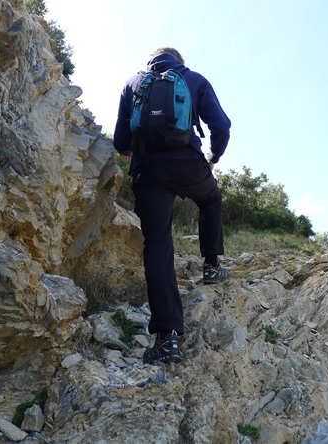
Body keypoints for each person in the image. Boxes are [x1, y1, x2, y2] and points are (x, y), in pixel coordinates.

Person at [113, 47, 232, 364]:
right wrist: (213, 157)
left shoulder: (133, 83)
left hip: (148, 172)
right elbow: (221, 127)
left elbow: (120, 139)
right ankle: (211, 266)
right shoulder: (193, 79)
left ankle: (166, 340)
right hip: (188, 164)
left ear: (150, 61)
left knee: (158, 244)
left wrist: (130, 152)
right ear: (180, 61)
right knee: (211, 198)